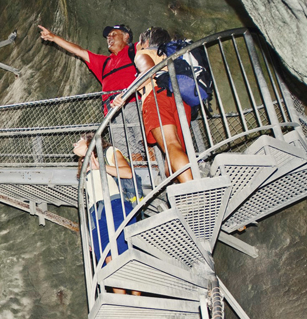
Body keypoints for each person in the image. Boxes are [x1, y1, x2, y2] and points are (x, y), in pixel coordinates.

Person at [38, 23, 145, 161]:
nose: (109, 38)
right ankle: (142, 176)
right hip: (113, 113)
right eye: (108, 36)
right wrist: (54, 38)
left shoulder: (136, 50)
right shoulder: (104, 63)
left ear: (126, 36)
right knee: (128, 153)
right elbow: (80, 52)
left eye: (114, 34)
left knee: (146, 141)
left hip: (135, 103)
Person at [117, 27, 194, 183]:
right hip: (179, 99)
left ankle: (194, 190)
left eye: (139, 42)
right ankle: (182, 192)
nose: (137, 46)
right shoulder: (169, 55)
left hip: (158, 98)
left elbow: (148, 72)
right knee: (172, 155)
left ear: (145, 42)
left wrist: (125, 95)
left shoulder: (144, 53)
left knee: (170, 145)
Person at [74, 133, 141, 295]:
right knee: (109, 262)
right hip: (95, 215)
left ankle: (139, 301)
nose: (73, 144)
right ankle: (125, 306)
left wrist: (101, 167)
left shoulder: (108, 152)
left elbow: (127, 172)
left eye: (78, 140)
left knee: (126, 256)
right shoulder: (84, 166)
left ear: (89, 142)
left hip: (116, 205)